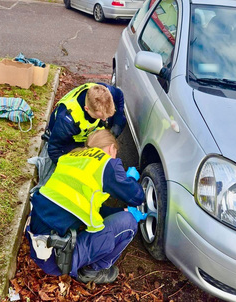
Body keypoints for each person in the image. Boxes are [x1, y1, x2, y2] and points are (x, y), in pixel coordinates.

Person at [25, 129, 146, 284]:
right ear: (110, 148)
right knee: (128, 222)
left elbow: (84, 206)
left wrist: (119, 210)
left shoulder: (70, 158)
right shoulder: (105, 163)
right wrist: (128, 179)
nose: (115, 157)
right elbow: (137, 196)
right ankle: (93, 271)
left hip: (41, 245)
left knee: (122, 215)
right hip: (58, 258)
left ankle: (79, 262)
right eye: (116, 152)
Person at [45, 83, 126, 164]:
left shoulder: (102, 91)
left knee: (121, 120)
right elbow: (54, 150)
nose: (105, 119)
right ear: (87, 109)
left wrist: (117, 124)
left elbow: (120, 95)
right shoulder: (67, 120)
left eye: (106, 116)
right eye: (100, 117)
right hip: (70, 138)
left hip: (84, 128)